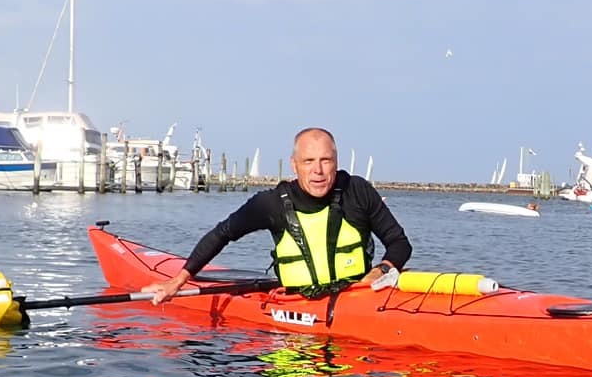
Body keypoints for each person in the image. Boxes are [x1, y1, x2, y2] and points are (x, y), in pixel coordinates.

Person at [144, 127, 412, 303]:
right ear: (295, 165)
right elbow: (222, 234)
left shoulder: (358, 191)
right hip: (296, 312)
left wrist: (382, 269)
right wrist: (178, 281)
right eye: (309, 161)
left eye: (325, 160)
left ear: (336, 162)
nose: (318, 170)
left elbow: (400, 244)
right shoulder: (271, 203)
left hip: (357, 299)